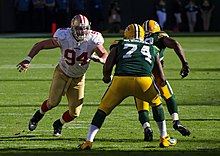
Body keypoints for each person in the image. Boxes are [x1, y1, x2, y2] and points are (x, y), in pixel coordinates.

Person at [77, 23, 177, 150]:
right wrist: (160, 83)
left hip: (121, 80)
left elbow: (108, 66)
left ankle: (88, 141)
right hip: (144, 81)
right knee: (157, 104)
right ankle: (164, 138)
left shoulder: (119, 44)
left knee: (102, 110)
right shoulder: (152, 47)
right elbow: (160, 76)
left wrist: (106, 78)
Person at [16, 14, 108, 137]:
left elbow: (104, 53)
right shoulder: (64, 36)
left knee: (74, 113)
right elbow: (40, 45)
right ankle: (37, 116)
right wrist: (28, 59)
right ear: (72, 28)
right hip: (62, 73)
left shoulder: (93, 39)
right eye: (79, 28)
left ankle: (58, 124)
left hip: (78, 78)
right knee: (52, 102)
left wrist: (102, 59)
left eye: (85, 28)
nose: (82, 32)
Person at [137, 20, 190, 141]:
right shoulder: (160, 36)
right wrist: (184, 63)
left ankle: (147, 127)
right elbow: (175, 43)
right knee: (169, 96)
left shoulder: (136, 38)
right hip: (157, 75)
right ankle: (176, 121)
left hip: (140, 75)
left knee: (142, 103)